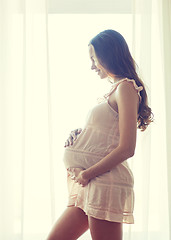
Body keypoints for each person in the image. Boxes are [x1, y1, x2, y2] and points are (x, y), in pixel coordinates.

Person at [46, 29, 153, 240]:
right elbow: (108, 134)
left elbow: (127, 147)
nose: (92, 65)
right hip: (93, 182)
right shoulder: (114, 91)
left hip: (103, 181)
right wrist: (82, 134)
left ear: (108, 55)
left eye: (94, 58)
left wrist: (87, 174)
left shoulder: (126, 88)